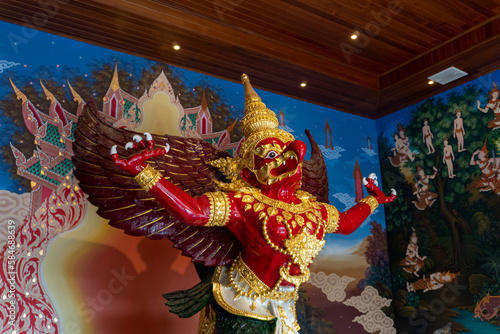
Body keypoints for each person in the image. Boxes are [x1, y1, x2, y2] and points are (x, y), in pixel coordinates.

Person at [108, 74, 396, 334]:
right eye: (271, 155)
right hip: (243, 300)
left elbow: (345, 224)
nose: (285, 157)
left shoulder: (312, 208)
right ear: (248, 173)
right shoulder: (243, 202)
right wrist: (144, 172)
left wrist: (372, 200)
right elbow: (193, 212)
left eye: (285, 150)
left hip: (284, 304)